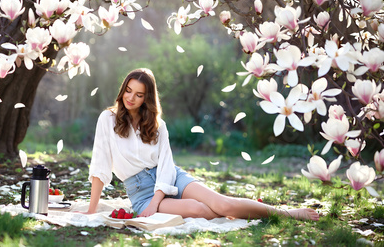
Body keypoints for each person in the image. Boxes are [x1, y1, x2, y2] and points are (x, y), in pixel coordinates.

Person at [83, 68, 319, 221]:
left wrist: (158, 201)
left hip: (169, 178)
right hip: (140, 191)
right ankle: (244, 213)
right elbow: (100, 164)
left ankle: (287, 214)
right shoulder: (108, 120)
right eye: (128, 90)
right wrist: (92, 210)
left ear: (147, 98)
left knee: (222, 203)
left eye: (139, 94)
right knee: (199, 210)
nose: (131, 98)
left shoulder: (157, 125)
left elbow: (166, 163)